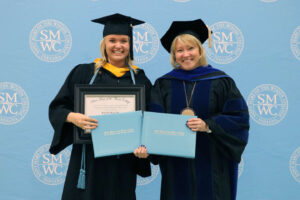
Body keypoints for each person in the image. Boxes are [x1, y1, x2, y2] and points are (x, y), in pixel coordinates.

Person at [48, 13, 152, 200]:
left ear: (131, 45)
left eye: (124, 41)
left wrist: (145, 147)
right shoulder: (84, 73)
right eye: (112, 40)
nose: (118, 46)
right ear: (104, 43)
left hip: (123, 163)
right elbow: (58, 107)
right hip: (88, 161)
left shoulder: (141, 80)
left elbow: (151, 120)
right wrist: (73, 117)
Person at [147, 19, 249, 200]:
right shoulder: (164, 85)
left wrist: (208, 125)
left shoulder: (221, 81)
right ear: (174, 55)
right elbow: (154, 122)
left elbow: (238, 119)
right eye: (179, 50)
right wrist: (147, 147)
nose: (186, 54)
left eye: (190, 48)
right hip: (176, 167)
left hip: (213, 165)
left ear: (200, 50)